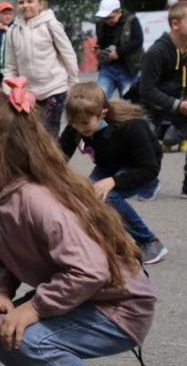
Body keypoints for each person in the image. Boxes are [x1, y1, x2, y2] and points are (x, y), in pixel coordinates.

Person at [0, 82, 154, 366]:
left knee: (26, 335)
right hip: (78, 297)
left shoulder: (38, 201)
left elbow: (90, 270)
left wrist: (35, 309)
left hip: (118, 307)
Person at [61, 82, 167, 264]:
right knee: (84, 195)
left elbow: (149, 168)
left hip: (138, 167)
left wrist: (114, 181)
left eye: (85, 123)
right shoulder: (77, 125)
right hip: (109, 164)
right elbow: (59, 156)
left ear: (102, 112)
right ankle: (106, 242)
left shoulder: (132, 127)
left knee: (108, 196)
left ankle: (150, 242)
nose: (79, 128)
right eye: (74, 123)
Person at [138, 0, 187, 199]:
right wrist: (179, 105)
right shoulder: (156, 52)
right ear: (175, 24)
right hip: (151, 104)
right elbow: (147, 90)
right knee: (149, 140)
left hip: (179, 103)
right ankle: (149, 180)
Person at [3, 0, 79, 139]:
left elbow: (68, 54)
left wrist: (73, 83)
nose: (25, 5)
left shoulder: (51, 26)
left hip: (54, 88)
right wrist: (7, 91)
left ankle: (52, 162)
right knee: (31, 136)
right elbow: (10, 66)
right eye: (21, 2)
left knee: (49, 136)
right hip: (28, 94)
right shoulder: (12, 32)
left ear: (41, 4)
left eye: (30, 1)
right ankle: (41, 162)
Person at [93, 0, 144, 100]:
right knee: (98, 100)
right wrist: (96, 49)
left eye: (110, 18)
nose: (107, 21)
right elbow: (99, 42)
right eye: (105, 18)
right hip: (107, 68)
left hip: (128, 69)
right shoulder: (100, 24)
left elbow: (138, 40)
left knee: (130, 102)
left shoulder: (132, 20)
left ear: (119, 11)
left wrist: (118, 53)